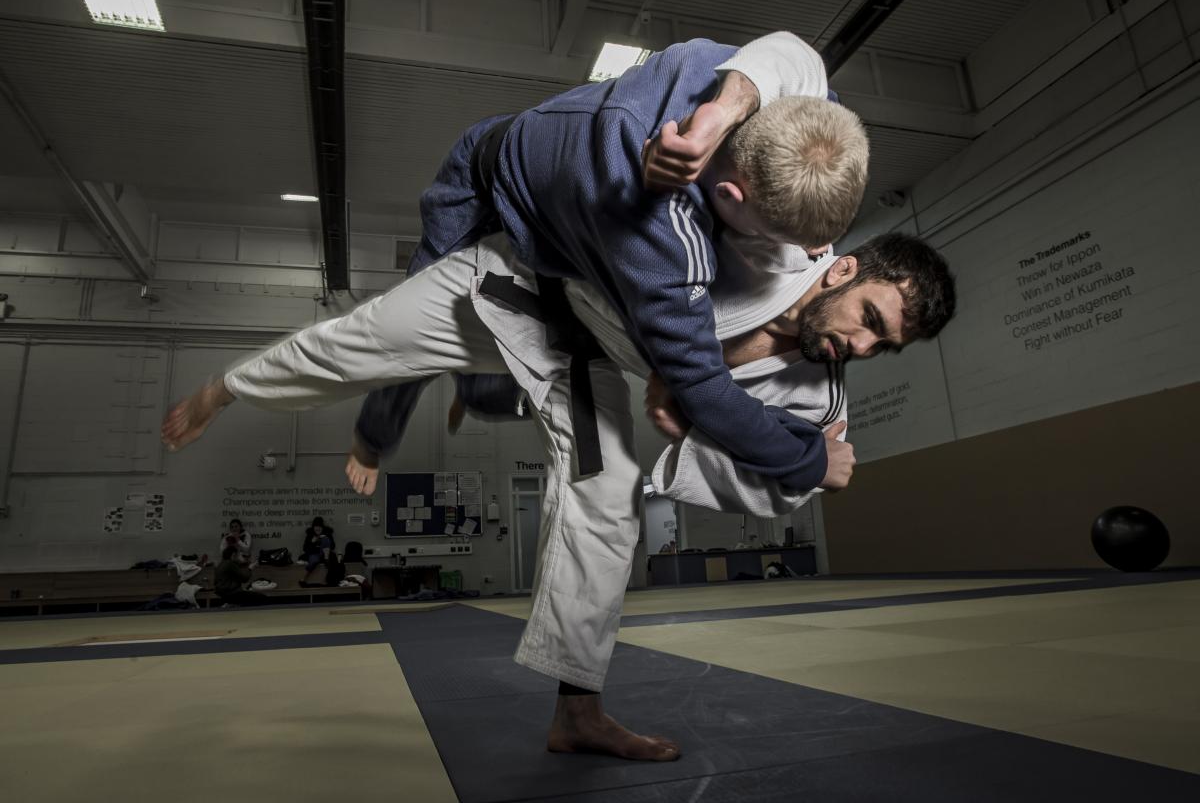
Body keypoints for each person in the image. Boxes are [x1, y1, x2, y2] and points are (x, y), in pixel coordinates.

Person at [161, 229, 955, 760]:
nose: (858, 345)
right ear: (844, 268)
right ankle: (226, 388)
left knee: (608, 502)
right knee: (369, 341)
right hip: (523, 278)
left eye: (882, 346)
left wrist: (732, 441)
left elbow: (774, 488)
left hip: (586, 356)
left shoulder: (822, 393)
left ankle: (576, 712)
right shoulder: (768, 245)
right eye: (868, 319)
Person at [334, 31, 869, 499]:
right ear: (730, 195)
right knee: (408, 336)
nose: (807, 260)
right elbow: (705, 391)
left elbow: (797, 58)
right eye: (782, 241)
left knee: (538, 347)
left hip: (565, 217)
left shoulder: (725, 76)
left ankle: (478, 392)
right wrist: (808, 459)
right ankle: (371, 441)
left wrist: (726, 109)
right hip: (483, 191)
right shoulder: (660, 235)